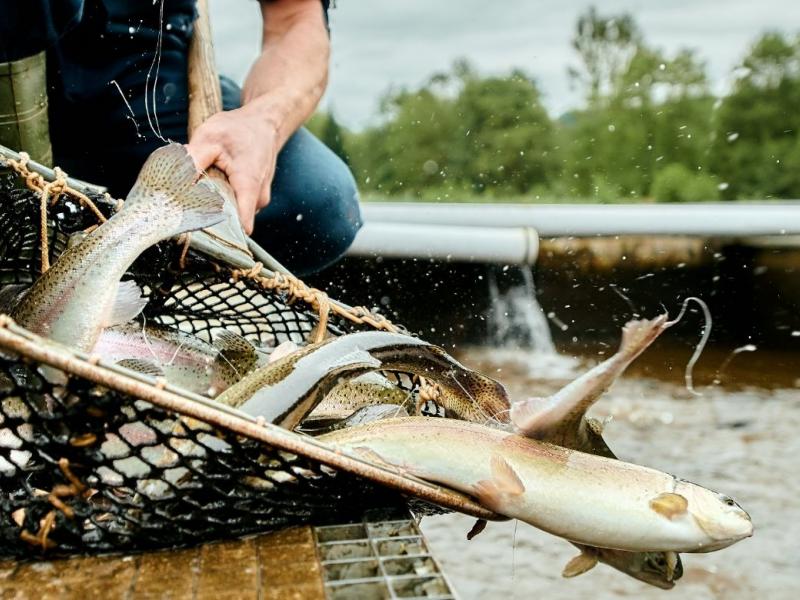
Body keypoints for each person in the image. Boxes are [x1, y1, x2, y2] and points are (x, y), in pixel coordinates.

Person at [0, 0, 361, 276]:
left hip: (144, 85)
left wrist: (262, 121)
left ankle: (143, 293)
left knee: (317, 203)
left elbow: (295, 17)